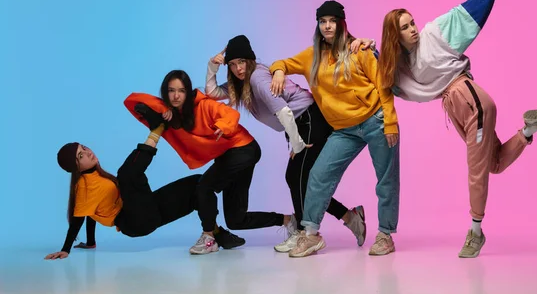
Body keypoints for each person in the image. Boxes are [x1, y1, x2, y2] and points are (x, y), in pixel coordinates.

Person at [377, 0, 537, 258]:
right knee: (492, 164)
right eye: (405, 27)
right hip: (458, 107)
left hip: (469, 98)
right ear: (395, 35)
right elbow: (381, 74)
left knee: (476, 171)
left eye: (412, 22)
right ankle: (530, 128)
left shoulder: (434, 33)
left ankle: (475, 233)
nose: (413, 28)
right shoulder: (400, 66)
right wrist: (357, 44)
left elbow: (467, 12)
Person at [204, 34, 367, 252]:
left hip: (309, 119)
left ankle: (306, 232)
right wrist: (211, 67)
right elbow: (213, 93)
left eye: (242, 62)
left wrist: (298, 144)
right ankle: (348, 217)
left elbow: (284, 111)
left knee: (296, 177)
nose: (238, 69)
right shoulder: (240, 83)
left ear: (250, 60)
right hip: (300, 124)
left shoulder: (257, 78)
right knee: (304, 180)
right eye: (232, 64)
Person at [270, 0, 400, 257]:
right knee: (318, 176)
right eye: (322, 21)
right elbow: (281, 63)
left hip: (375, 120)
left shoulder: (358, 50)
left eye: (332, 21)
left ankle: (385, 234)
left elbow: (383, 85)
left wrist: (390, 122)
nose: (327, 26)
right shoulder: (311, 56)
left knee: (386, 180)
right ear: (318, 25)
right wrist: (277, 72)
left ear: (341, 24)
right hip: (343, 130)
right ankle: (311, 235)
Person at [124, 70, 295, 255]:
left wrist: (223, 126)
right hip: (230, 155)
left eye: (181, 91)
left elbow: (230, 115)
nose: (175, 96)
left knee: (204, 186)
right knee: (236, 219)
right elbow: (134, 99)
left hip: (244, 149)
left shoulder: (203, 105)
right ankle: (288, 221)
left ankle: (208, 237)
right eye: (171, 90)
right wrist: (163, 108)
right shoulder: (171, 113)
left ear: (188, 92)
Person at [44, 107, 243, 260]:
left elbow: (91, 213)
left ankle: (214, 234)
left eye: (84, 148)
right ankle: (157, 129)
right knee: (127, 173)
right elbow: (80, 217)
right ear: (77, 167)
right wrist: (65, 249)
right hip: (134, 221)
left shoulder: (96, 176)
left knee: (198, 184)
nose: (88, 152)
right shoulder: (84, 188)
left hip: (146, 210)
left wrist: (90, 243)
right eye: (81, 156)